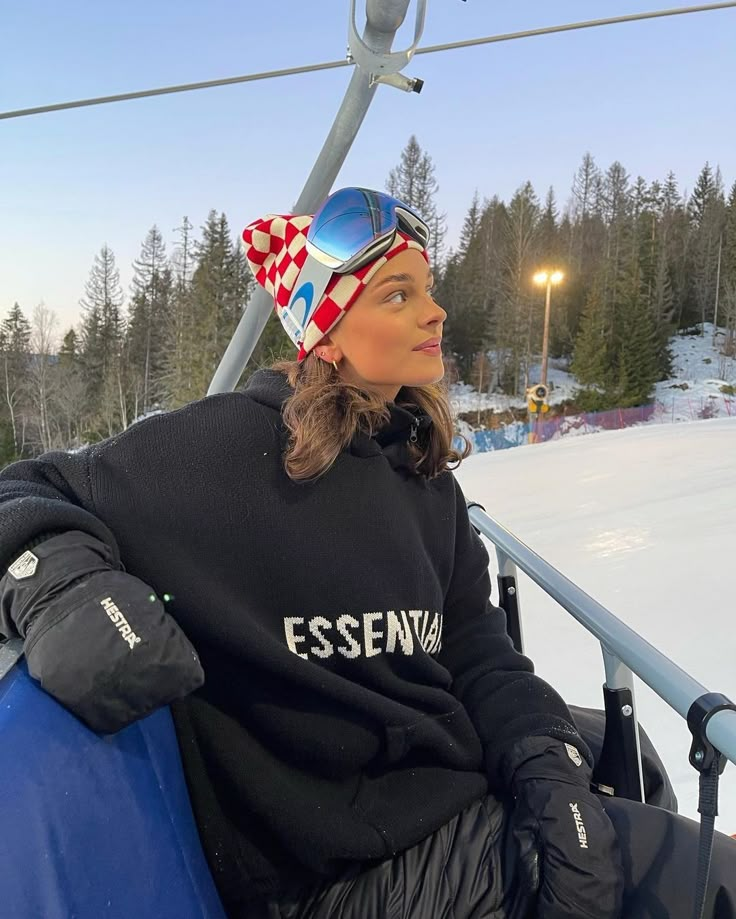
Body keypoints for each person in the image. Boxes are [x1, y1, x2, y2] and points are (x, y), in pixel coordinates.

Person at [0, 187, 734, 919]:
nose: (435, 310)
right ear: (328, 329)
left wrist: (547, 762)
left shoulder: (419, 473)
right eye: (397, 294)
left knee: (624, 752)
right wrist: (57, 583)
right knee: (710, 878)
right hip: (338, 871)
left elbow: (479, 650)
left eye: (430, 289)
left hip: (437, 794)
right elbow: (26, 489)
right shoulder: (224, 453)